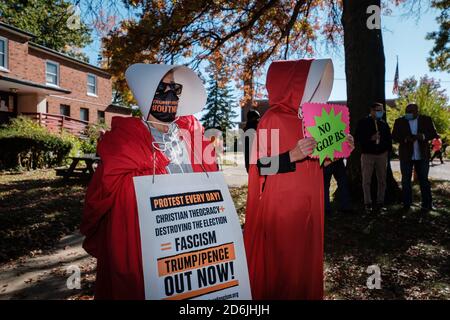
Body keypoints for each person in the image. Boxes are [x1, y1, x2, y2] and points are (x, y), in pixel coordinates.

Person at [80, 64, 217, 299]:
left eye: (175, 87)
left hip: (190, 244)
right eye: (162, 87)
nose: (170, 93)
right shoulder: (124, 141)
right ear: (146, 92)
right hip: (145, 249)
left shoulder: (191, 133)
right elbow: (102, 198)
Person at [244, 59, 354, 300]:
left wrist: (337, 153)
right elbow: (260, 166)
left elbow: (315, 164)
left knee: (305, 258)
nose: (313, 91)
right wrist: (292, 155)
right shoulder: (272, 118)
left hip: (311, 203)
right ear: (292, 85)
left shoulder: (310, 120)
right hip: (284, 204)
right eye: (308, 84)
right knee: (286, 262)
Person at [392, 103, 438, 211]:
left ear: (417, 111)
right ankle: (407, 204)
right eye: (406, 111)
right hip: (406, 156)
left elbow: (433, 133)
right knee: (405, 180)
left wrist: (422, 136)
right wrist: (405, 139)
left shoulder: (426, 120)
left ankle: (427, 204)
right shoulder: (399, 121)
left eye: (410, 111)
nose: (407, 114)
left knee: (424, 180)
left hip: (422, 155)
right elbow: (394, 136)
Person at [355, 102, 392, 213]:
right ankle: (368, 203)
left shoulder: (384, 124)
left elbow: (389, 139)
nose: (381, 112)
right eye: (378, 110)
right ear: (371, 111)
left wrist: (386, 151)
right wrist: (370, 138)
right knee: (366, 180)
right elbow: (357, 137)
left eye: (382, 110)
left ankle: (380, 203)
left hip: (381, 155)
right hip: (367, 154)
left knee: (382, 180)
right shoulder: (363, 122)